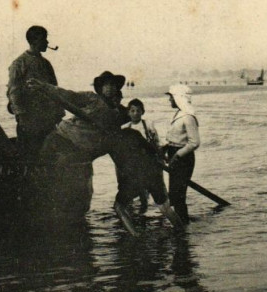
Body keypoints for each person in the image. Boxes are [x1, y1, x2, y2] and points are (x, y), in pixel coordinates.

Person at [27, 72, 183, 231]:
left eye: (113, 86)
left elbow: (135, 122)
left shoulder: (120, 113)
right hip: (62, 138)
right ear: (100, 88)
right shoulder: (91, 98)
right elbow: (68, 96)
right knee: (41, 172)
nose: (109, 89)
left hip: (82, 153)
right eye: (106, 85)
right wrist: (44, 87)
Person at [7, 25, 65, 156]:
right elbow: (13, 93)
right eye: (44, 39)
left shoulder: (46, 64)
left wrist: (58, 114)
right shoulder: (19, 64)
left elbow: (54, 90)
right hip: (29, 121)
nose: (47, 42)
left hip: (48, 119)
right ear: (33, 41)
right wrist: (22, 117)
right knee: (29, 156)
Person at [164, 84, 200, 224]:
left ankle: (183, 227)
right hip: (176, 155)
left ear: (179, 98)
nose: (170, 101)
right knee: (174, 194)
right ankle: (181, 224)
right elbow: (177, 137)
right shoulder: (180, 113)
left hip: (183, 159)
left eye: (171, 98)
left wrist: (177, 155)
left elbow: (194, 142)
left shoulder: (188, 116)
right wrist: (166, 147)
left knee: (178, 195)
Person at [121, 99, 161, 213]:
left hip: (148, 159)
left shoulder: (147, 124)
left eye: (138, 111)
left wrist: (159, 156)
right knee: (138, 187)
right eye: (132, 111)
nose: (135, 113)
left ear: (142, 112)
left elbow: (156, 141)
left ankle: (158, 207)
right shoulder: (125, 127)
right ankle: (143, 208)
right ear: (128, 112)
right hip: (133, 161)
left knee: (155, 186)